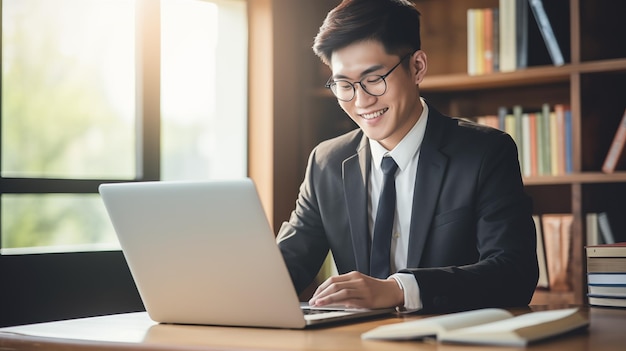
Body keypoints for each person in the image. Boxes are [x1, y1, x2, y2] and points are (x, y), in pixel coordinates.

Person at [276, 0, 538, 314]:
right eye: (344, 84)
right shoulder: (327, 162)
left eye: (374, 79)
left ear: (417, 67)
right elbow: (286, 266)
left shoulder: (484, 153)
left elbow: (514, 273)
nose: (361, 100)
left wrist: (399, 290)